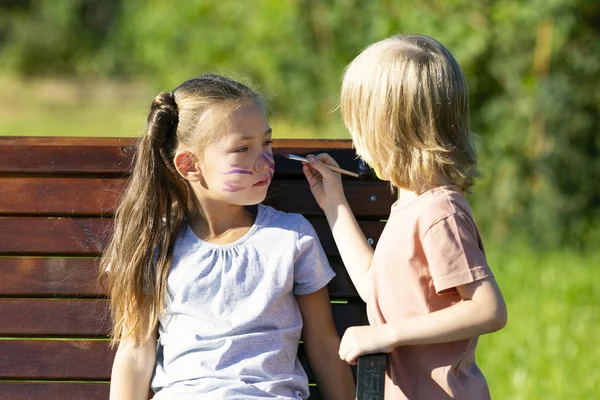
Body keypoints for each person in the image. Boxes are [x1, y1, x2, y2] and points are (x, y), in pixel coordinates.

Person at [100, 74, 355, 400]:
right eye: (242, 148)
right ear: (189, 165)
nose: (265, 161)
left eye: (267, 143)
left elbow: (323, 344)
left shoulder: (291, 237)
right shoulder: (154, 244)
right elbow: (135, 353)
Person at [302, 35, 508, 399]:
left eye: (358, 126)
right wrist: (334, 203)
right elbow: (373, 286)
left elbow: (488, 308)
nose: (355, 140)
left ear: (389, 130)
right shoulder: (408, 206)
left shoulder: (439, 212)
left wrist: (388, 333)